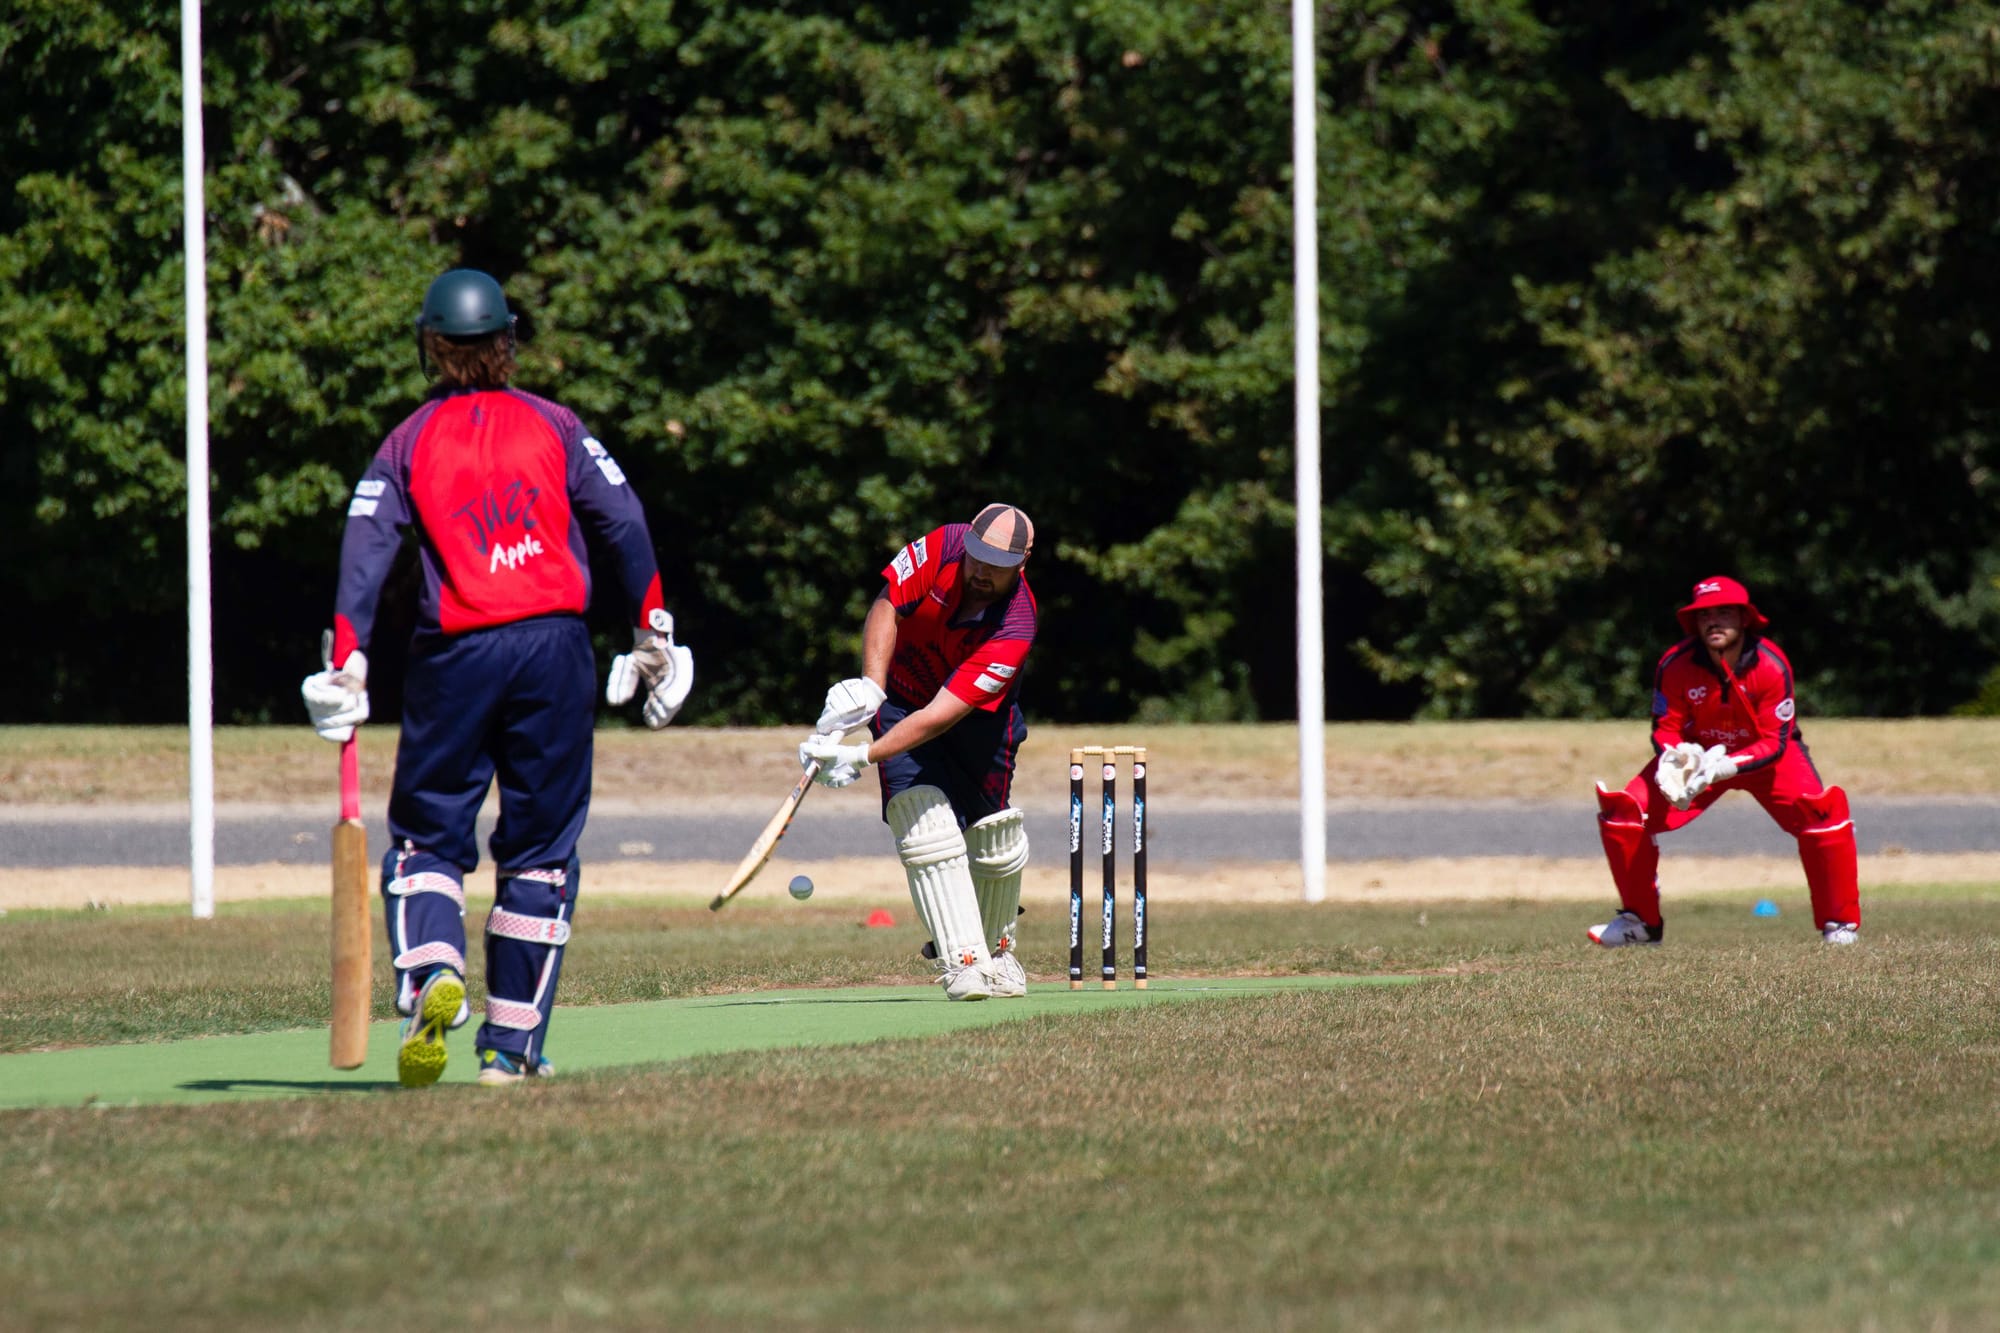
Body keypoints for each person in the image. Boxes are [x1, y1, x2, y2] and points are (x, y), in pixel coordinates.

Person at [300, 268, 693, 1087]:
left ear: (431, 348)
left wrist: (347, 655)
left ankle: (434, 973)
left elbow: (365, 546)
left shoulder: (406, 439)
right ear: (506, 342)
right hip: (556, 652)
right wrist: (654, 627)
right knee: (542, 852)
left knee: (427, 837)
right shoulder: (557, 424)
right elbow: (623, 519)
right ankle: (510, 1054)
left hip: (458, 654)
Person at [799, 503, 1040, 1000]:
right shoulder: (944, 545)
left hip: (978, 725)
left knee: (995, 843)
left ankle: (997, 953)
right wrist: (870, 688)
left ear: (1022, 564)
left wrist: (862, 757)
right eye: (977, 558)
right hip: (902, 697)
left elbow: (940, 716)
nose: (980, 571)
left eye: (996, 567)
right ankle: (963, 965)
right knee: (923, 823)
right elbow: (889, 604)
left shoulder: (1015, 627)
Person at [1589, 575, 1859, 947]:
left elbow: (1773, 741)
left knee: (1824, 816)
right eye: (1704, 615)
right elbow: (1665, 727)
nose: (1713, 622)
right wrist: (1677, 757)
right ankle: (1640, 924)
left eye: (1724, 612)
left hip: (1768, 762)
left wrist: (1724, 767)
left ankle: (1839, 926)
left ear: (1745, 619)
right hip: (1697, 760)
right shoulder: (1675, 664)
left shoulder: (1771, 665)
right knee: (1623, 811)